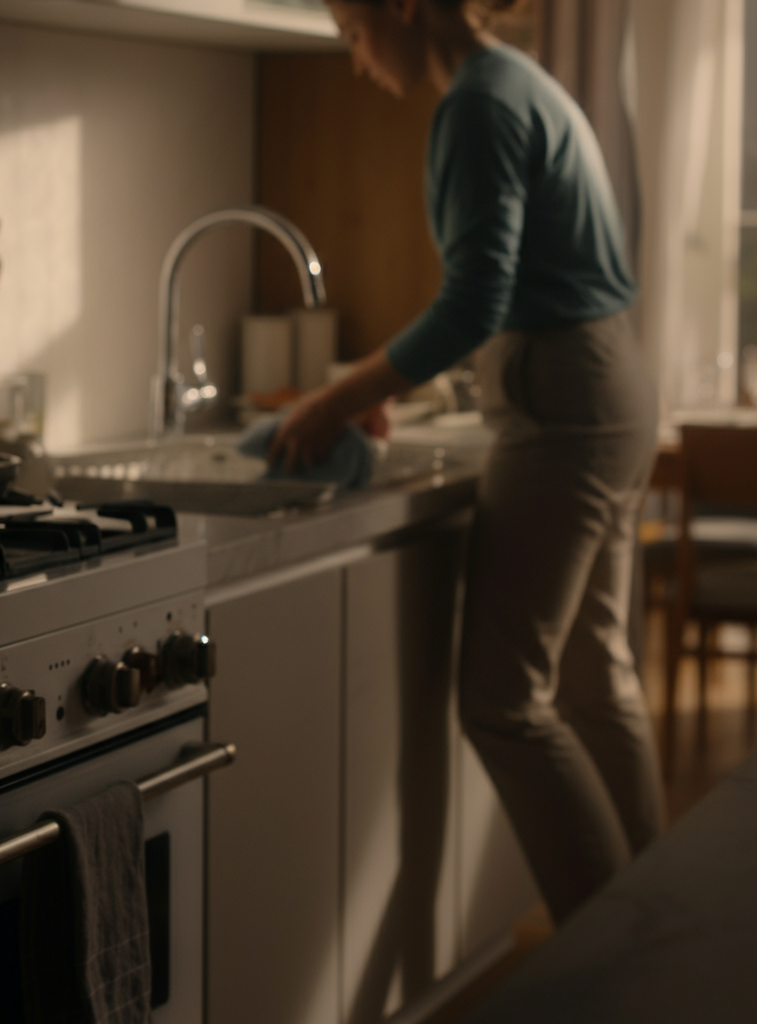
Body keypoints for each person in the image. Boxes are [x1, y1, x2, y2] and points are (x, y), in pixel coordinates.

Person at [270, 0, 665, 924]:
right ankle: (664, 931)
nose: (355, 59)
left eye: (353, 31)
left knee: (503, 701)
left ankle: (612, 952)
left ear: (401, 7)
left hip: (561, 403)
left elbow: (475, 301)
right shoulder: (525, 81)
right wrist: (384, 387)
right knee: (594, 676)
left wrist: (335, 395)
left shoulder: (479, 104)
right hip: (613, 387)